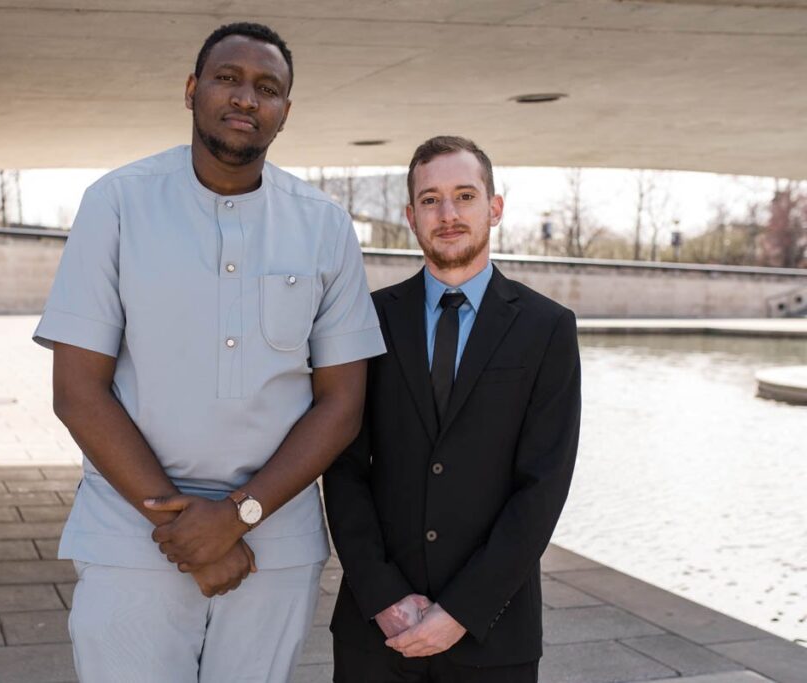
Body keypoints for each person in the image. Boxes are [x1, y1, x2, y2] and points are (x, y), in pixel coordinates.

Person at [32, 22, 385, 682]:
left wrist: (236, 517)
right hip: (131, 537)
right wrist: (185, 527)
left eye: (267, 87)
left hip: (273, 543)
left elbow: (342, 403)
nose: (246, 97)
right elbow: (77, 390)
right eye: (228, 78)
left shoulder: (323, 224)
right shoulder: (116, 203)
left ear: (285, 110)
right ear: (192, 90)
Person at [324, 136, 581, 682]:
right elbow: (343, 469)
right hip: (377, 631)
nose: (448, 214)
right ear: (410, 216)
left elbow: (543, 486)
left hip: (494, 634)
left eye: (465, 196)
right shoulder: (368, 321)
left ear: (495, 208)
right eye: (431, 199)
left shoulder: (547, 328)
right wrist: (384, 595)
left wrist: (463, 610)